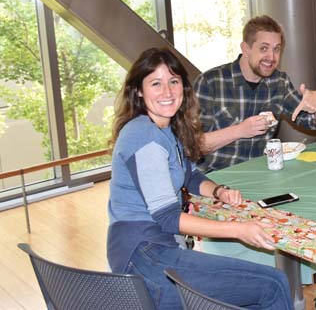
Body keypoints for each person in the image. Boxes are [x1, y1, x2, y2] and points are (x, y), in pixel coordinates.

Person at [107, 48, 292, 310]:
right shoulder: (144, 136)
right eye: (156, 83)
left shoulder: (165, 129)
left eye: (174, 81)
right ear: (139, 90)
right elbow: (168, 217)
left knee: (259, 292)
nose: (168, 92)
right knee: (272, 285)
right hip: (143, 258)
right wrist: (238, 231)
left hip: (152, 249)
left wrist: (218, 191)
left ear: (184, 86)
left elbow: (191, 174)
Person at [194, 15, 316, 171]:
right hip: (215, 178)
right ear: (246, 48)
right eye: (263, 48)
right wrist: (240, 130)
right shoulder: (210, 82)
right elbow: (196, 147)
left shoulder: (279, 82)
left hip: (260, 174)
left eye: (276, 49)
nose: (271, 57)